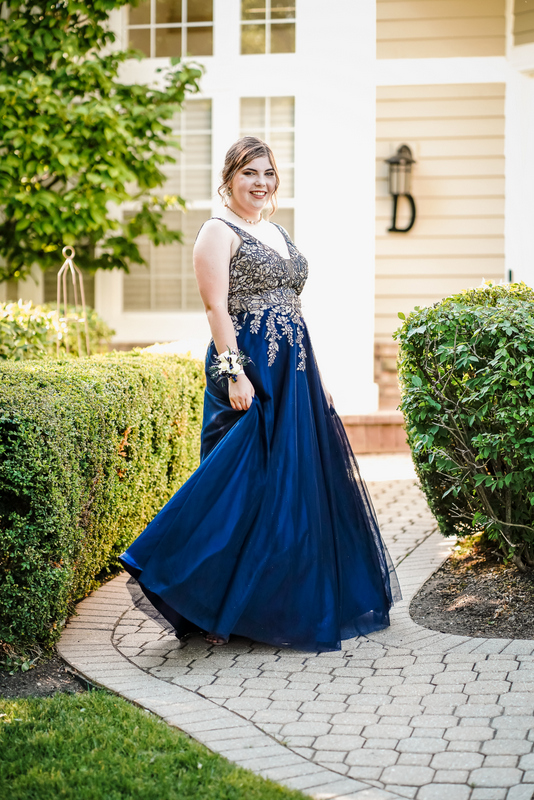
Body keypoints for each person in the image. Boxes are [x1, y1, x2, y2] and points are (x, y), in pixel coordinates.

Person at [119, 136, 401, 651]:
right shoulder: (216, 231)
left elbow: (293, 309)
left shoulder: (275, 230)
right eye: (250, 172)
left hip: (293, 372)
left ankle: (276, 603)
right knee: (241, 483)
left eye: (268, 172)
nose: (261, 182)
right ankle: (194, 589)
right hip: (249, 367)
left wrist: (317, 379)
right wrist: (235, 374)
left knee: (290, 487)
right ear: (229, 177)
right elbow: (215, 309)